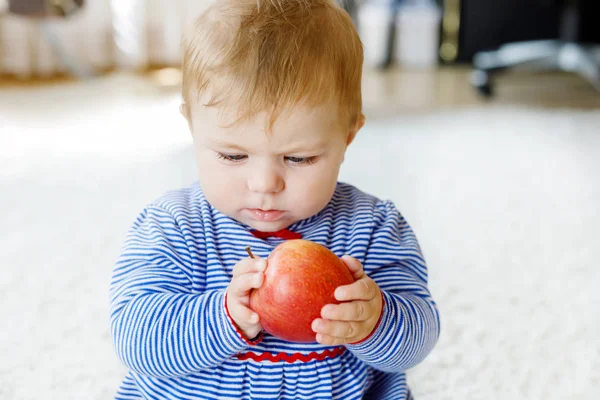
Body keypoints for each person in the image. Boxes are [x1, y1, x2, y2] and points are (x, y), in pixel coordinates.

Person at [109, 1, 440, 398]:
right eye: (233, 156)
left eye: (298, 158)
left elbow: (418, 339)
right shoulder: (173, 226)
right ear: (193, 128)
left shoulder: (371, 226)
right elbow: (135, 340)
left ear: (348, 136)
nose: (265, 183)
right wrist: (225, 316)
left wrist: (375, 320)